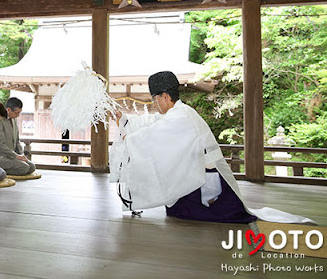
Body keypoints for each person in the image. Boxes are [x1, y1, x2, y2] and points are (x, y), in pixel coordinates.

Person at [110, 70, 313, 224]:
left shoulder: (181, 116)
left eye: (155, 99)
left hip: (208, 181)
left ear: (164, 96)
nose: (155, 104)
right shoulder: (178, 113)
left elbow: (154, 134)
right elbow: (152, 123)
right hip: (201, 174)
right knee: (177, 211)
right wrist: (125, 119)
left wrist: (131, 138)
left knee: (184, 212)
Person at [0, 97, 36, 176]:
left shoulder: (14, 120)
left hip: (13, 155)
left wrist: (21, 155)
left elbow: (17, 141)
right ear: (8, 110)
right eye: (16, 113)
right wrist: (16, 156)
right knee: (24, 168)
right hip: (1, 156)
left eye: (19, 113)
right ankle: (0, 172)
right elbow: (1, 145)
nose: (18, 115)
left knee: (32, 167)